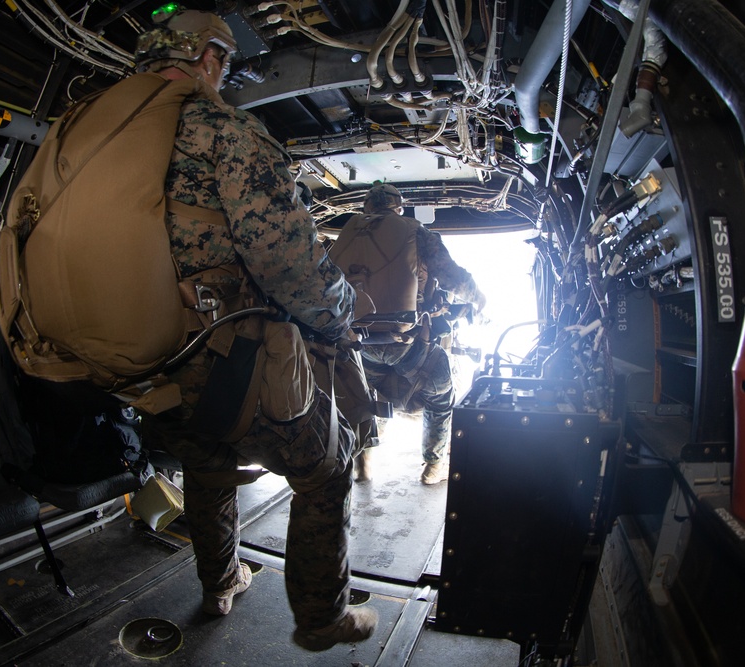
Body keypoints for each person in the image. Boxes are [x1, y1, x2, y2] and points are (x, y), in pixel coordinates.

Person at [132, 9, 376, 652]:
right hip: (226, 361)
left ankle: (218, 585)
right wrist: (339, 312)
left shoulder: (109, 141)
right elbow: (286, 262)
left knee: (206, 466)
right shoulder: (222, 130)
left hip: (139, 368)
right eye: (226, 63)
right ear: (210, 58)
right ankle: (324, 619)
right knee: (326, 465)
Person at [329, 184, 485, 485]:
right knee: (441, 398)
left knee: (367, 398)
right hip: (408, 345)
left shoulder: (348, 236)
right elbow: (451, 276)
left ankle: (363, 462)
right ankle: (433, 467)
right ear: (398, 207)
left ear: (367, 207)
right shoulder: (416, 232)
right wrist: (479, 298)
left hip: (361, 345)